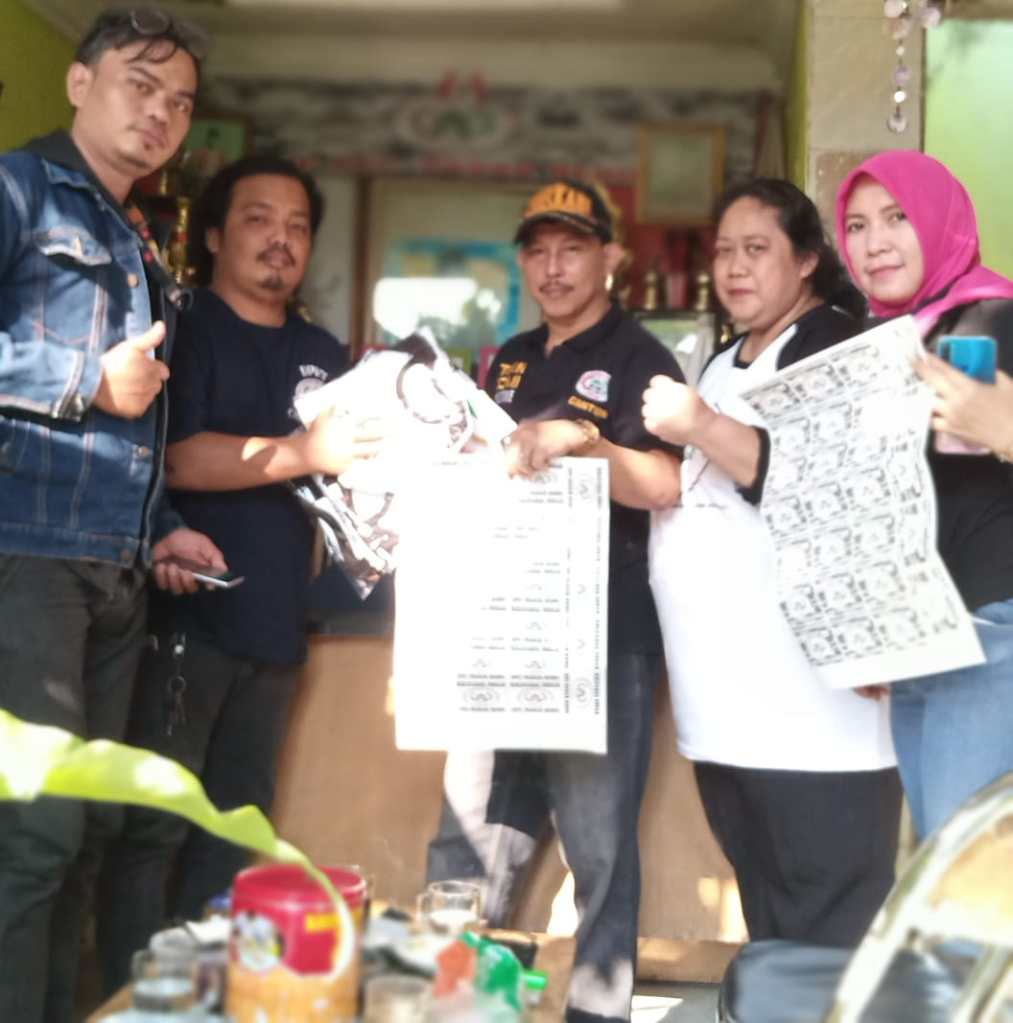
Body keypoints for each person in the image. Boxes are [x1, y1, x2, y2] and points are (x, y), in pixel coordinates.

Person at [96, 155, 383, 993]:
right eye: (258, 219)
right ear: (215, 235)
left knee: (238, 825)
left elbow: (350, 476)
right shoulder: (182, 326)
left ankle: (212, 995)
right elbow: (176, 458)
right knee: (155, 827)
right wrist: (302, 451)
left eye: (297, 227)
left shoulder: (322, 350)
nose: (280, 240)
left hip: (276, 626)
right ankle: (135, 997)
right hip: (187, 620)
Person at [0, 10, 224, 1021]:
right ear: (79, 82)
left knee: (86, 833)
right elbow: (105, 389)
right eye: (141, 85)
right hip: (27, 555)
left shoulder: (134, 235)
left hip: (118, 568)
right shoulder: (17, 190)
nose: (162, 114)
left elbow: (133, 422)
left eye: (180, 101)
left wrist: (161, 521)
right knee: (36, 836)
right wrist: (84, 376)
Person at [427, 180, 683, 1023]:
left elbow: (664, 484)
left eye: (572, 248)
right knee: (465, 844)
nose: (552, 267)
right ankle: (458, 1011)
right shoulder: (508, 357)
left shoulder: (642, 358)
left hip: (599, 640)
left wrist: (583, 441)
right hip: (501, 631)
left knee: (598, 854)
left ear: (611, 257)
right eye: (536, 250)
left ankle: (597, 1015)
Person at [642, 178, 901, 948]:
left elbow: (820, 479)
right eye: (723, 250)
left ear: (807, 259)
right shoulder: (724, 359)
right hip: (730, 712)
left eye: (756, 249)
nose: (733, 266)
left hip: (814, 722)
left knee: (825, 935)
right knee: (774, 924)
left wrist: (699, 422)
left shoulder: (832, 343)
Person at [837, 151, 1013, 841]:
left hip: (989, 631)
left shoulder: (993, 316)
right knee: (942, 856)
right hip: (919, 631)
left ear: (940, 220)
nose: (874, 242)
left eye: (897, 217)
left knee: (961, 867)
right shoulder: (889, 337)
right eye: (856, 225)